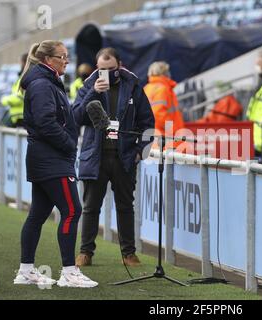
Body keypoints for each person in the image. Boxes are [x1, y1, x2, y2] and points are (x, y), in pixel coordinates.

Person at [14, 40, 97, 288]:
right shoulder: (41, 84)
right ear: (49, 60)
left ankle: (26, 270)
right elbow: (45, 122)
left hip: (46, 158)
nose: (67, 60)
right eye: (63, 56)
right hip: (51, 159)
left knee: (38, 214)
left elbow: (66, 118)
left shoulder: (47, 82)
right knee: (72, 211)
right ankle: (69, 272)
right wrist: (69, 144)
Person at [73, 48, 154, 267]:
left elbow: (148, 123)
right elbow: (75, 117)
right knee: (90, 207)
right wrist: (93, 93)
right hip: (95, 156)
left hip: (125, 157)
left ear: (120, 64)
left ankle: (128, 253)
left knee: (126, 206)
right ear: (96, 67)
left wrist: (140, 152)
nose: (107, 73)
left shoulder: (134, 86)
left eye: (111, 69)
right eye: (102, 69)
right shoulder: (89, 86)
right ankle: (85, 252)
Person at [144, 61, 184, 147]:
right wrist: (174, 132)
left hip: (155, 137)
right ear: (164, 73)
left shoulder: (147, 88)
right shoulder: (162, 89)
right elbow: (159, 115)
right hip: (166, 139)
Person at [0, 53, 28, 127]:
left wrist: (4, 100)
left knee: (1, 129)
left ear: (25, 63)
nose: (20, 65)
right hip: (16, 116)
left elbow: (19, 98)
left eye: (21, 62)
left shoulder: (25, 78)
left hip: (21, 117)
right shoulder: (21, 77)